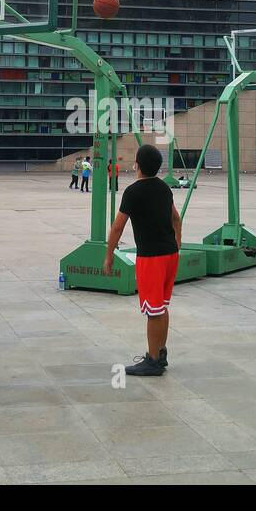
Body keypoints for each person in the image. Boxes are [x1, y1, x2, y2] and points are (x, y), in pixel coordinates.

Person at [104, 144, 182, 377]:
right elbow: (176, 219)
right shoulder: (164, 188)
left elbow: (118, 226)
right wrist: (177, 243)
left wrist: (108, 255)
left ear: (137, 164)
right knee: (162, 306)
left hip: (151, 257)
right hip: (170, 255)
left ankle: (153, 360)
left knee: (153, 311)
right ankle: (161, 352)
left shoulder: (133, 192)